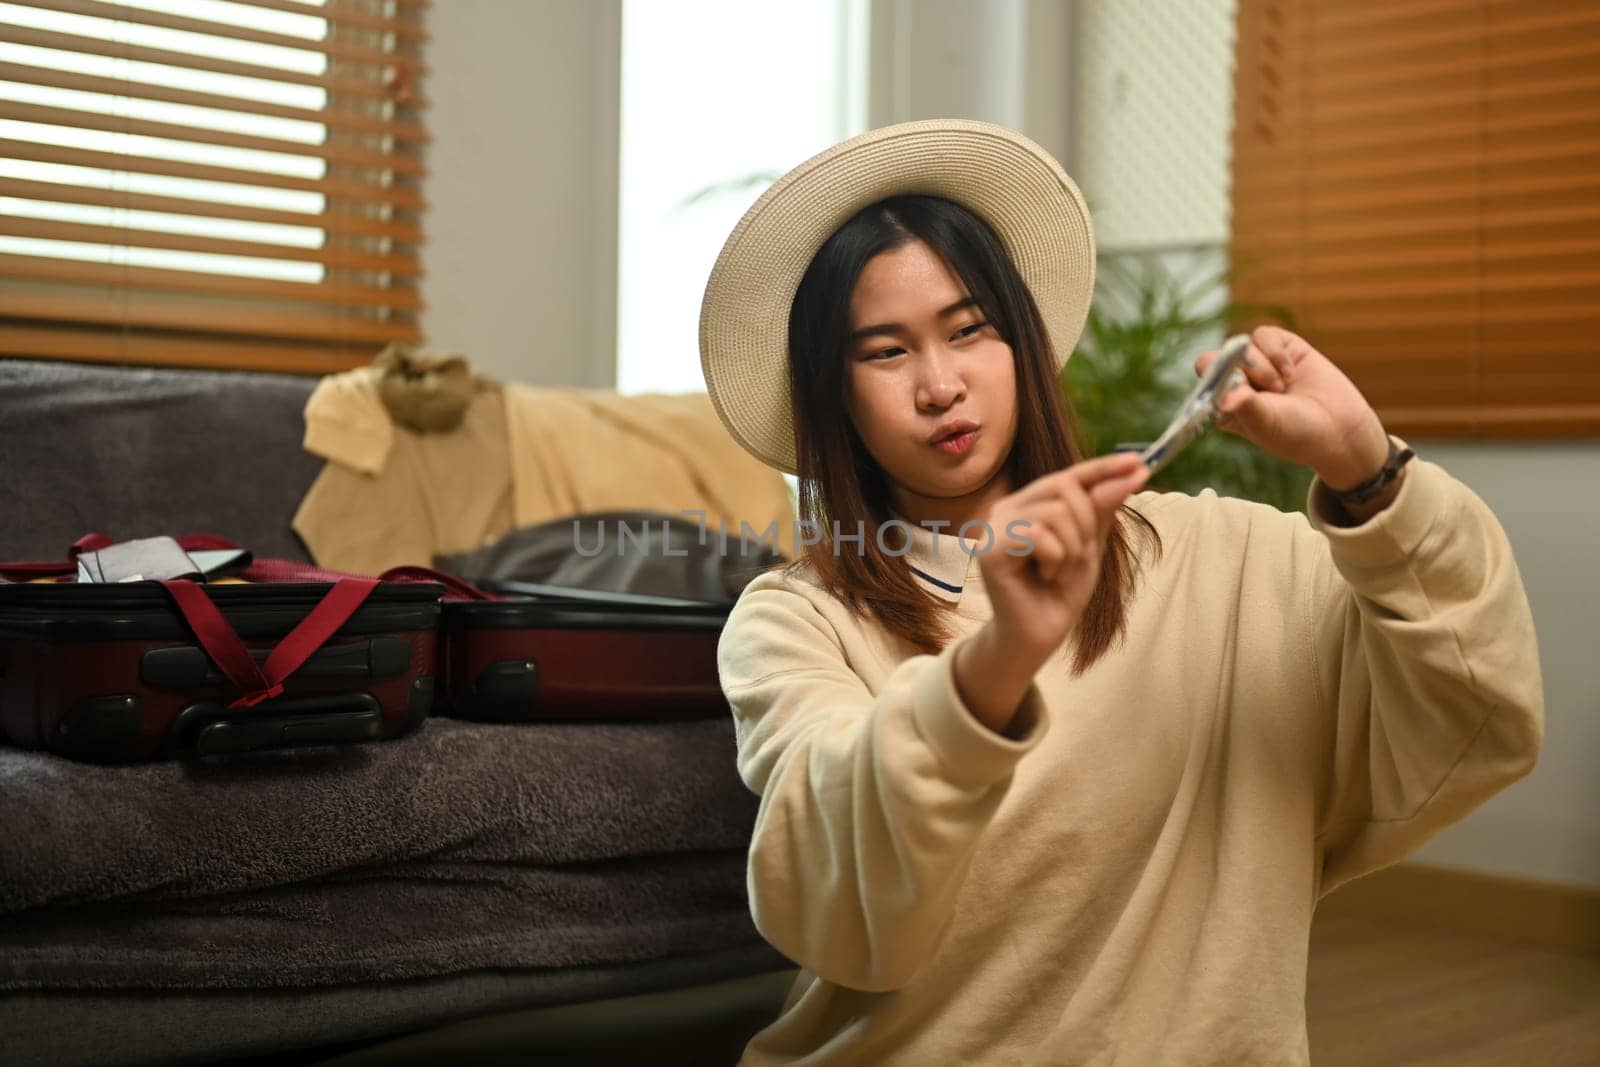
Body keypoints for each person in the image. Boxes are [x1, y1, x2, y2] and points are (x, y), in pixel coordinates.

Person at [696, 119, 1543, 1065]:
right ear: (834, 396)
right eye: (886, 352)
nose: (940, 384)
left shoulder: (1220, 560)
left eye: (969, 329)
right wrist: (994, 661)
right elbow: (837, 904)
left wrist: (1369, 470)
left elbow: (1479, 706)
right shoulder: (796, 618)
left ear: (1018, 341)